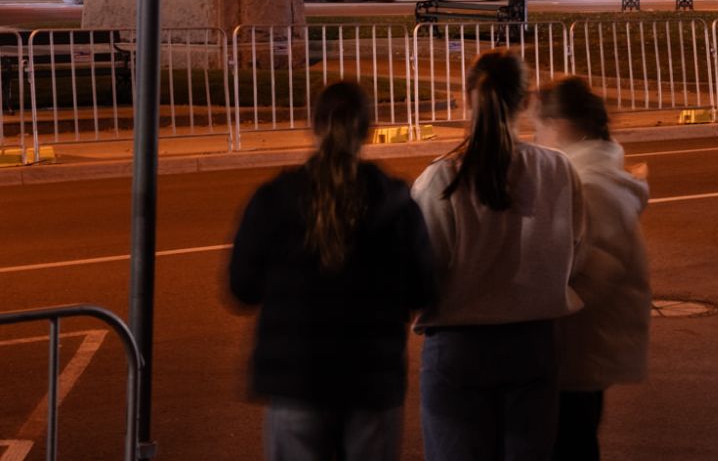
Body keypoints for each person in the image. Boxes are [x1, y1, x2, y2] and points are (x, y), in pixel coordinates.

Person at [228, 82, 437, 461]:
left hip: (298, 380)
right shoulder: (395, 203)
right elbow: (423, 290)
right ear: (368, 130)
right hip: (372, 380)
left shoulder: (275, 199)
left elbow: (242, 287)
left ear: (314, 125)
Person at [413, 50, 586, 461]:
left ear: (465, 99)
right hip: (534, 344)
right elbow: (575, 252)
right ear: (525, 102)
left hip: (459, 348)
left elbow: (424, 273)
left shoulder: (441, 178)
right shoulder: (558, 171)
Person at [535, 76, 651, 461]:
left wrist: (531, 307)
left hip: (573, 353)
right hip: (581, 353)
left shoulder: (589, 186)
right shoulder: (595, 177)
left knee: (569, 445)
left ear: (560, 124)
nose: (537, 137)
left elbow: (592, 274)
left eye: (540, 125)